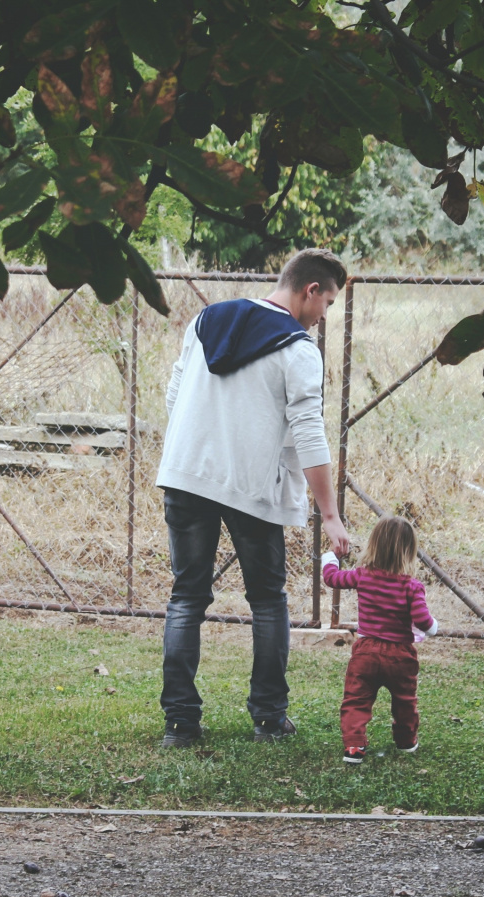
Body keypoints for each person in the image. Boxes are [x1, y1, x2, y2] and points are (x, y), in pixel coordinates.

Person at [155, 248, 351, 748]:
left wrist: (199, 446)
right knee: (266, 600)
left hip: (185, 474)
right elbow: (309, 432)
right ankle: (268, 718)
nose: (324, 315)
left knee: (186, 597)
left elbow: (175, 394)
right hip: (251, 487)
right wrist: (329, 514)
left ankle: (180, 724)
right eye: (327, 303)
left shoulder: (207, 320)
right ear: (310, 290)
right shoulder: (299, 350)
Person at [320, 514, 437, 765]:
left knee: (356, 698)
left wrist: (331, 556)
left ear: (373, 545)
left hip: (366, 652)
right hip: (401, 655)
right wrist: (433, 628)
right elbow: (422, 620)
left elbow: (331, 578)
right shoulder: (412, 586)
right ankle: (406, 741)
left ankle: (354, 746)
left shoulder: (362, 576)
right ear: (409, 551)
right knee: (405, 700)